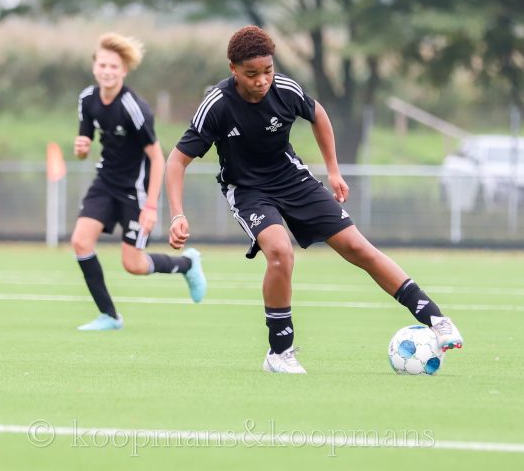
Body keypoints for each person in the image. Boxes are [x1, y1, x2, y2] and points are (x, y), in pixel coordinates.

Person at [165, 25, 463, 373]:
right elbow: (177, 160)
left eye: (267, 71)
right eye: (251, 74)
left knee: (358, 247)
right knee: (280, 252)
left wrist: (333, 171)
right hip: (248, 191)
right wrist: (177, 214)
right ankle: (279, 352)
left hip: (293, 180)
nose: (262, 81)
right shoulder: (216, 105)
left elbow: (318, 115)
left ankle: (435, 319)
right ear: (233, 69)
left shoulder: (285, 90)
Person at [72, 32, 206, 331]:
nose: (107, 71)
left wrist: (151, 207)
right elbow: (83, 147)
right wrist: (80, 149)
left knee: (133, 264)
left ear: (124, 71)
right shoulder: (87, 100)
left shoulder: (134, 108)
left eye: (113, 67)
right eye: (102, 65)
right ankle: (109, 316)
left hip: (135, 189)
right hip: (105, 182)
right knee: (80, 241)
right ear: (94, 66)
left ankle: (187, 264)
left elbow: (157, 157)